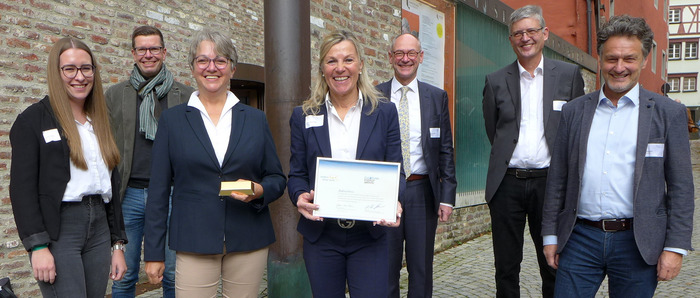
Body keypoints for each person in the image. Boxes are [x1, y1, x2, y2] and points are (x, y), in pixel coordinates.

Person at [542, 15, 694, 297]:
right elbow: (557, 179)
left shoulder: (667, 113)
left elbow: (681, 187)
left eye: (629, 59)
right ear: (599, 59)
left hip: (638, 242)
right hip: (579, 238)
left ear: (644, 60)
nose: (620, 67)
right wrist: (551, 236)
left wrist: (675, 247)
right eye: (612, 58)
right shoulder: (574, 112)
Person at [143, 29, 286, 297]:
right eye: (203, 60)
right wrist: (153, 252)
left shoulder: (255, 119)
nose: (212, 67)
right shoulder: (172, 121)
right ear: (193, 67)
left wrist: (258, 190)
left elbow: (277, 178)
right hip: (194, 238)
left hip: (248, 236)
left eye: (220, 60)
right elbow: (158, 192)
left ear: (232, 68)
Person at [287, 30, 404, 297]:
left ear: (360, 65)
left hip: (370, 236)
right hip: (322, 236)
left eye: (348, 60)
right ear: (322, 68)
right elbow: (296, 174)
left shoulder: (384, 112)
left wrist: (395, 200)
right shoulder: (303, 116)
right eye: (332, 61)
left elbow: (397, 172)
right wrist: (300, 196)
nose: (340, 68)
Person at [9, 37, 127, 297]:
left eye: (86, 68)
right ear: (56, 72)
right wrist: (37, 247)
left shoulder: (100, 121)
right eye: (70, 69)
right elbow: (22, 190)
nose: (80, 77)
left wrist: (117, 244)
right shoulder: (32, 121)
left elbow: (111, 184)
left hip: (99, 228)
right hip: (60, 229)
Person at [481, 5, 585, 297]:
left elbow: (576, 130)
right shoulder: (495, 80)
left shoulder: (568, 75)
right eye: (518, 33)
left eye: (531, 31)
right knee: (506, 266)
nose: (525, 37)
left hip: (550, 185)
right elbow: (494, 130)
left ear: (545, 34)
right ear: (511, 39)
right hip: (507, 184)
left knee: (552, 263)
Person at [106, 25, 193, 298]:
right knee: (124, 275)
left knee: (173, 275)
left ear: (164, 52)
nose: (148, 55)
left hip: (171, 194)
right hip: (129, 193)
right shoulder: (115, 95)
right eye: (142, 49)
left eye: (154, 48)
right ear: (133, 53)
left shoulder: (187, 96)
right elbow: (106, 145)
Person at [376, 33, 456, 298]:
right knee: (385, 266)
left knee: (421, 267)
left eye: (411, 53)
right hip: (384, 191)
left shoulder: (436, 97)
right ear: (390, 57)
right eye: (399, 53)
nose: (405, 59)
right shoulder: (374, 97)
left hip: (422, 191)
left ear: (421, 57)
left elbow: (446, 149)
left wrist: (447, 198)